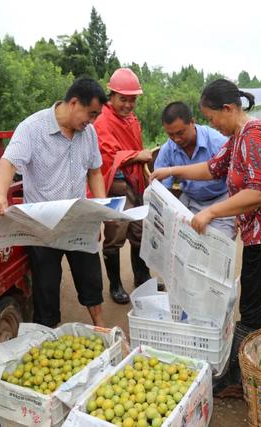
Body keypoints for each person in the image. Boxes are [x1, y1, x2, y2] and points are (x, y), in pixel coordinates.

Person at [150, 79, 261, 397]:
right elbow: (213, 168)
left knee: (250, 303)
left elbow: (259, 192)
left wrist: (211, 212)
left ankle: (236, 378)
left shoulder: (254, 134)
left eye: (212, 117)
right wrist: (171, 172)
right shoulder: (237, 137)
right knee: (260, 291)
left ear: (228, 109)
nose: (211, 124)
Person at [0, 78, 108, 328]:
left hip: (77, 219)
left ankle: (100, 326)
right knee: (46, 287)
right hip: (43, 226)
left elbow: (95, 172)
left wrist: (101, 211)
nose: (92, 121)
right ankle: (48, 333)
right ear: (74, 103)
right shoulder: (32, 128)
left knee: (91, 279)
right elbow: (8, 163)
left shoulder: (89, 133)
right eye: (91, 114)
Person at [94, 68, 153, 305]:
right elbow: (108, 153)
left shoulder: (132, 120)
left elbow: (132, 148)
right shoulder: (103, 119)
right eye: (123, 99)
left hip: (135, 180)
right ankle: (115, 284)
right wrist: (137, 155)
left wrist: (140, 159)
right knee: (116, 232)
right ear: (112, 96)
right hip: (116, 183)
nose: (128, 105)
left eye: (133, 100)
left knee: (140, 230)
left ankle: (142, 276)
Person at [154, 101, 235, 239]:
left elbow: (237, 179)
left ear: (192, 122)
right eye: (171, 135)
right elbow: (163, 190)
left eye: (180, 133)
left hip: (221, 199)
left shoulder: (218, 142)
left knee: (218, 243)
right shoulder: (168, 149)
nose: (176, 139)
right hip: (190, 200)